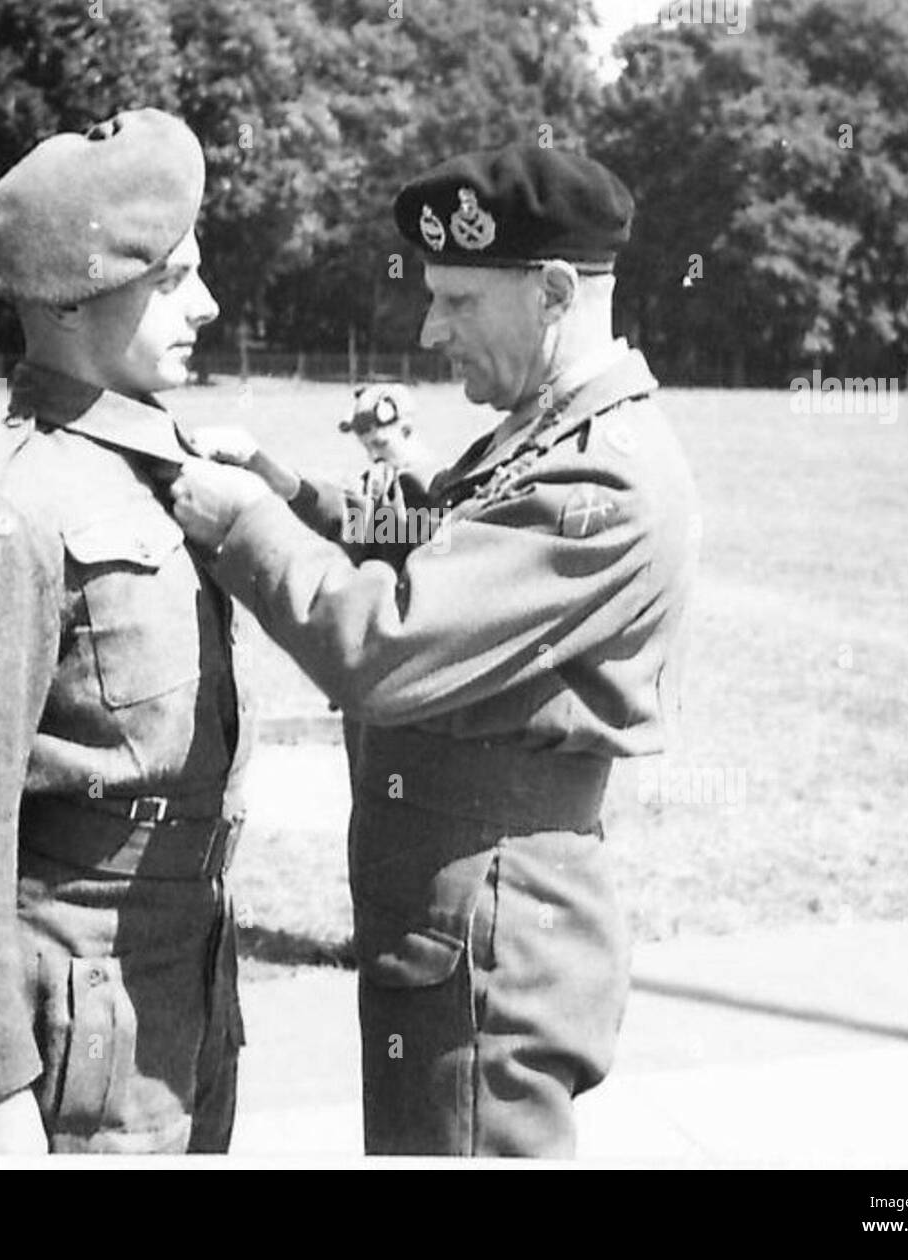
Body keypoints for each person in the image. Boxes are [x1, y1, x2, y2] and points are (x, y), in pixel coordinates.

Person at [169, 142, 700, 1157]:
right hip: (455, 926)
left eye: (456, 299)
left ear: (550, 292)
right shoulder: (543, 431)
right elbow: (428, 533)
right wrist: (289, 492)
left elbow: (385, 642)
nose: (429, 328)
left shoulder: (605, 483)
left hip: (490, 944)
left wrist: (245, 528)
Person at [0, 109, 251, 1155]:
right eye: (172, 281)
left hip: (185, 993)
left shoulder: (155, 463)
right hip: (73, 1034)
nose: (206, 306)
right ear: (76, 298)